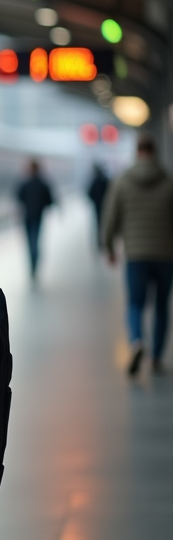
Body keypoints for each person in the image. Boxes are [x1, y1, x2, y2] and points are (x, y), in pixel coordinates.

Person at [101, 133, 173, 375]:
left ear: (137, 152)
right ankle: (156, 357)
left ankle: (137, 341)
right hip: (165, 255)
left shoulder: (122, 181)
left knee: (135, 303)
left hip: (136, 256)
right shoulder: (169, 181)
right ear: (155, 151)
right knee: (161, 305)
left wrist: (109, 247)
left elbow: (111, 218)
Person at [16, 159, 55, 281]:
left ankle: (32, 267)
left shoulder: (24, 183)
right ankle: (35, 264)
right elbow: (50, 201)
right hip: (38, 217)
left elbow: (18, 198)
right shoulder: (43, 184)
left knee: (29, 243)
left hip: (27, 217)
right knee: (36, 241)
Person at [87, 162, 110, 242]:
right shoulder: (106, 180)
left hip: (97, 206)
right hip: (106, 206)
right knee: (106, 223)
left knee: (98, 225)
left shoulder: (95, 181)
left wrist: (95, 200)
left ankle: (99, 242)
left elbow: (89, 194)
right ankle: (105, 240)